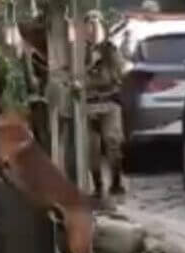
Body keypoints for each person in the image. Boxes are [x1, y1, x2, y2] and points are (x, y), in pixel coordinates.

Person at [83, 10, 126, 197]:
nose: (92, 29)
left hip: (109, 102)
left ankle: (116, 182)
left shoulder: (110, 50)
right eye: (89, 25)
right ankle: (98, 185)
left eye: (96, 24)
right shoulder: (79, 51)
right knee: (91, 148)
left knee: (112, 142)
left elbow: (118, 76)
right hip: (88, 105)